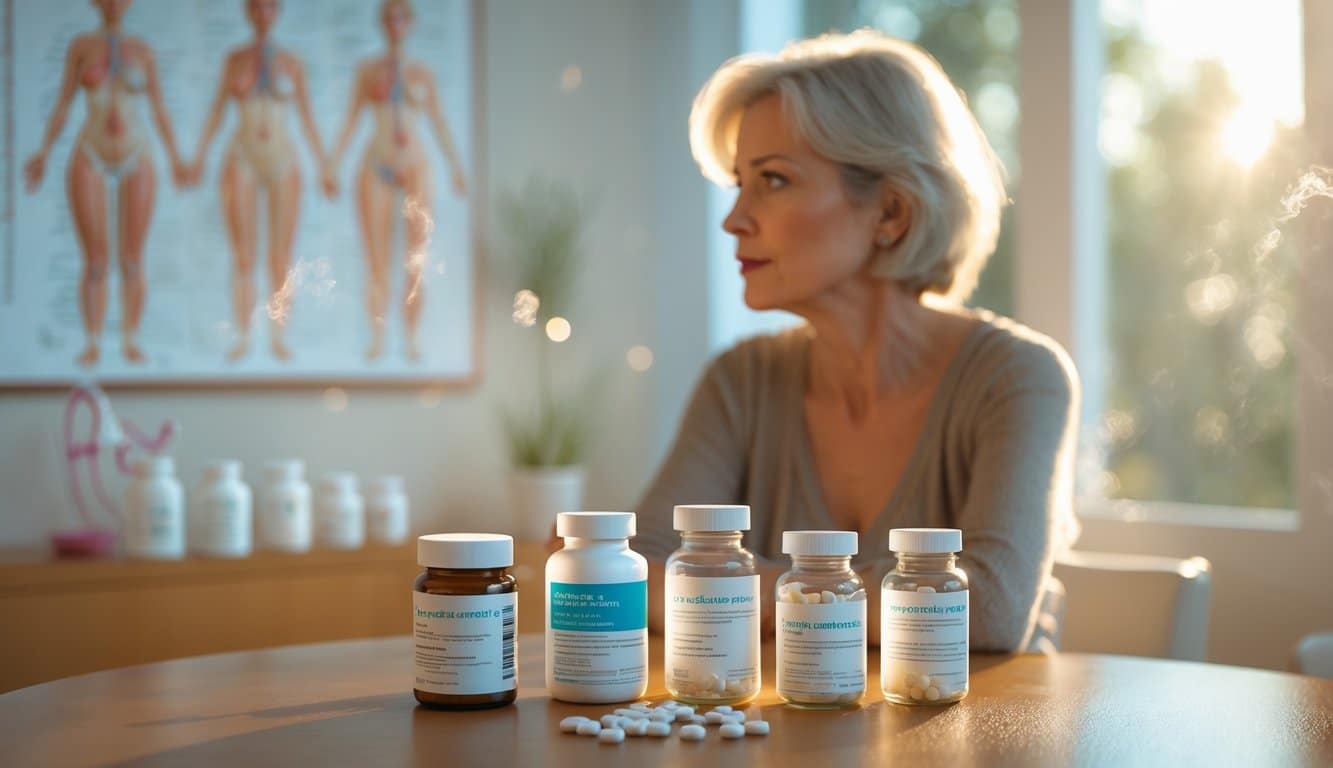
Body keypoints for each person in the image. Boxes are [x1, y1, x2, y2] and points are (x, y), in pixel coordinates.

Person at [633, 30, 1080, 652]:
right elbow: (633, 576)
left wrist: (721, 589)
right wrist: (889, 601)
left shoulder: (1019, 377)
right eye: (739, 182)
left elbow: (991, 612)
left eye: (774, 180)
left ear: (891, 213)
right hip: (793, 744)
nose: (734, 218)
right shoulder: (740, 380)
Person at [23, 0, 189, 367]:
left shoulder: (142, 51)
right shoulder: (82, 46)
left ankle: (131, 337)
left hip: (136, 151)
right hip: (91, 150)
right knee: (96, 260)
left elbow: (160, 109)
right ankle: (94, 340)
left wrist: (177, 158)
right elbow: (64, 102)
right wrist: (45, 152)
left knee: (132, 258)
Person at [323, 0, 468, 362]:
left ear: (411, 23)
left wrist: (455, 166)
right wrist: (332, 164)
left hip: (415, 167)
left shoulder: (421, 72)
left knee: (415, 260)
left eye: (401, 16)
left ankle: (411, 338)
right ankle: (378, 337)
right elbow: (352, 120)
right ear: (381, 23)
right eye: (389, 17)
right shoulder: (368, 70)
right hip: (376, 166)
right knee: (377, 260)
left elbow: (439, 123)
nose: (395, 23)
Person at [188, 0, 326, 362]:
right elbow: (217, 110)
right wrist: (199, 157)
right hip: (242, 156)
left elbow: (308, 118)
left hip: (282, 157)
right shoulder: (234, 60)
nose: (263, 15)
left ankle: (279, 335)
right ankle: (244, 334)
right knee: (244, 256)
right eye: (257, 7)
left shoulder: (291, 63)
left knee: (281, 256)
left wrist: (325, 164)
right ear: (248, 13)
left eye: (270, 8)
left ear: (277, 13)